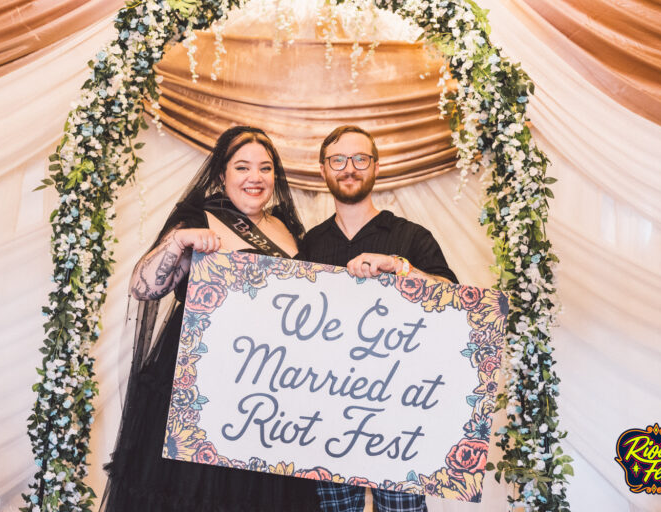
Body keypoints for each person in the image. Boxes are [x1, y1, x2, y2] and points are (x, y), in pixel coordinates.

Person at [102, 126, 321, 511]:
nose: (255, 178)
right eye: (242, 167)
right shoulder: (198, 217)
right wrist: (179, 242)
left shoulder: (289, 228)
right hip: (200, 384)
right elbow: (143, 287)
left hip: (267, 390)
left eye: (265, 168)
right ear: (222, 174)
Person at [297, 125, 458, 512]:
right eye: (338, 160)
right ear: (323, 170)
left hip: (398, 415)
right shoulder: (309, 244)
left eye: (360, 159)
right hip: (324, 417)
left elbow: (453, 302)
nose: (349, 168)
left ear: (376, 167)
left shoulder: (411, 237)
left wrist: (399, 267)